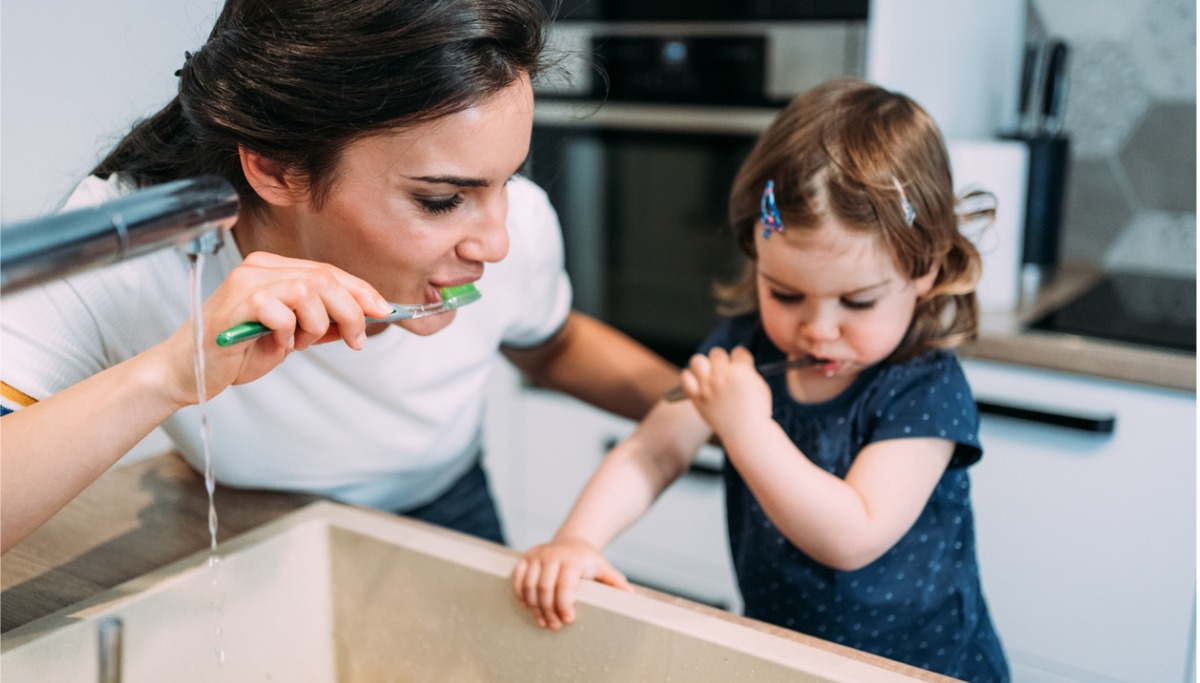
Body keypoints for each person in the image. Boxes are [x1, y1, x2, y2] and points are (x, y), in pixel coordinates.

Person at [0, 0, 678, 555]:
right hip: (245, 525)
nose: (497, 241)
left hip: (451, 508)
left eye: (509, 178)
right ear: (277, 167)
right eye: (441, 199)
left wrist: (707, 407)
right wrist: (170, 374)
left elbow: (549, 343)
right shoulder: (131, 247)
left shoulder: (515, 224)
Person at [511, 78, 1010, 682]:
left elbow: (854, 534)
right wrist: (578, 540)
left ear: (924, 269)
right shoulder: (745, 344)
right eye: (787, 293)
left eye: (857, 302)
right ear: (756, 252)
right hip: (781, 657)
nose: (818, 329)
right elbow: (655, 447)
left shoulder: (924, 386)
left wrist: (747, 429)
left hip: (917, 669)